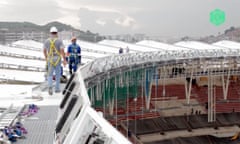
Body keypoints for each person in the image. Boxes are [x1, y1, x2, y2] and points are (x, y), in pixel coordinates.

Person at [43, 26, 66, 95]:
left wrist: (46, 58)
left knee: (50, 74)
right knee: (57, 74)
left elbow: (44, 51)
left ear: (50, 33)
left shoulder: (47, 41)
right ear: (56, 33)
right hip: (57, 59)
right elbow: (62, 50)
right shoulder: (59, 41)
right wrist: (64, 59)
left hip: (50, 59)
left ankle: (50, 87)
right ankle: (57, 88)